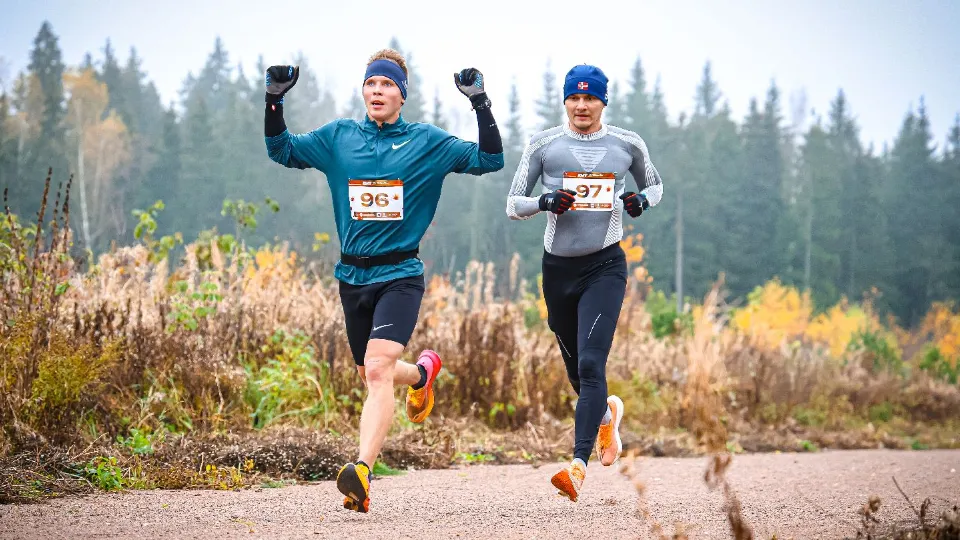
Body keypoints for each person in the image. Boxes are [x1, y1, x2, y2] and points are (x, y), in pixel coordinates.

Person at [264, 49, 504, 513]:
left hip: (400, 274)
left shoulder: (426, 143)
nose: (377, 91)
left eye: (387, 85)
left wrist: (480, 103)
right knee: (371, 372)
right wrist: (274, 100)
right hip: (352, 275)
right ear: (363, 91)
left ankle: (362, 472)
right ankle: (422, 374)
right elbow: (282, 150)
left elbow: (489, 160)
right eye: (371, 84)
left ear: (402, 95)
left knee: (376, 371)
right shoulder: (339, 138)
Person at [505, 64, 663, 502]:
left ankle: (576, 466)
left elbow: (656, 187)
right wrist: (543, 201)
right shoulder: (545, 145)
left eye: (589, 98)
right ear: (565, 102)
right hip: (558, 271)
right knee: (577, 372)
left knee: (592, 365)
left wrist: (639, 200)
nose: (581, 106)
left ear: (602, 102)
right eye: (574, 98)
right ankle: (606, 419)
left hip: (605, 266)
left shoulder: (627, 144)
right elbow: (512, 204)